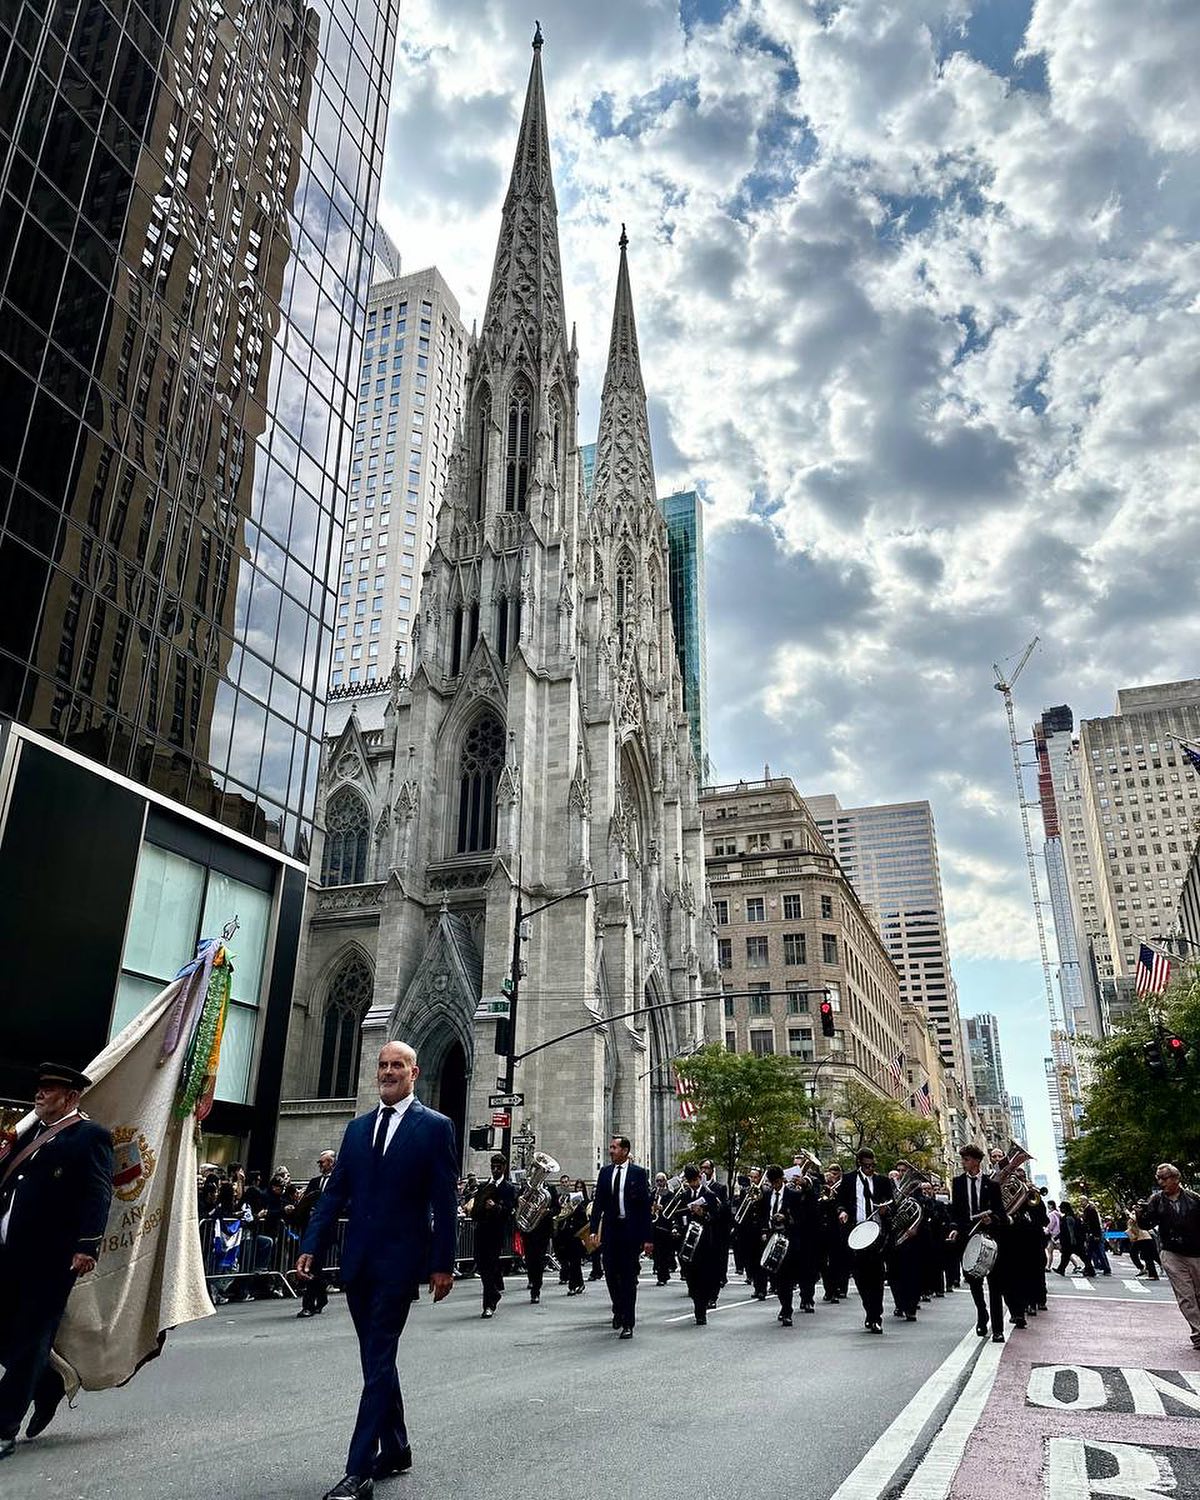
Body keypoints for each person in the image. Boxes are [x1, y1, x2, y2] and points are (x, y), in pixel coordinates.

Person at [297, 1041, 457, 1499]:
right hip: (358, 1262)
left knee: (379, 1356)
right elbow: (334, 1195)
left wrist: (442, 1264)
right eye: (382, 1065)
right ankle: (398, 1447)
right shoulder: (357, 1128)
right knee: (376, 1360)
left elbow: (444, 1204)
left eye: (397, 1065)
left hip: (400, 1263)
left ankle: (359, 1468)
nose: (388, 1072)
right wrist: (312, 1244)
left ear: (414, 1072)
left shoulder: (435, 1127)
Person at [0, 1062, 113, 1458]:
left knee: (32, 1337)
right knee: (8, 1335)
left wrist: (87, 1245)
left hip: (51, 1258)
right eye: (40, 1088)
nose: (40, 1094)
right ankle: (47, 1381)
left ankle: (3, 1426)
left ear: (71, 1097)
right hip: (8, 1253)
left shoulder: (89, 1136)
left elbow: (99, 1193)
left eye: (50, 1089)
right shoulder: (27, 1132)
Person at [589, 1136, 653, 1339]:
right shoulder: (605, 1173)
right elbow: (598, 1202)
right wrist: (592, 1230)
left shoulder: (638, 1173)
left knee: (627, 1277)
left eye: (614, 1147)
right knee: (610, 1273)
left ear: (625, 1150)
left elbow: (644, 1208)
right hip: (610, 1230)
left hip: (630, 1231)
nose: (610, 1151)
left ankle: (628, 1322)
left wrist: (648, 1238)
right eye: (610, 1147)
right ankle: (618, 1307)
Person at [950, 1145, 1014, 1343]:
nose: (963, 1163)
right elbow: (955, 1211)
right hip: (968, 1237)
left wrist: (992, 1219)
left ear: (976, 1161)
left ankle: (997, 1329)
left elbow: (1002, 1215)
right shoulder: (957, 1183)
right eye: (963, 1160)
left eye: (966, 1160)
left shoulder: (992, 1184)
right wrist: (954, 1228)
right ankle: (981, 1313)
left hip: (990, 1238)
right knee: (974, 1282)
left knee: (995, 1284)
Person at [1135, 1164, 1200, 1351]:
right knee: (1185, 1295)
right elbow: (1147, 1224)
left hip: (1196, 1251)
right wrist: (1140, 1213)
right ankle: (1198, 1334)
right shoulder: (1156, 1200)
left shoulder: (1194, 1199)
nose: (1161, 1182)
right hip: (1171, 1252)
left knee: (1198, 1293)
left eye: (1164, 1178)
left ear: (1176, 1178)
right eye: (1158, 1178)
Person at [836, 1148, 895, 1333]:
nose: (870, 1169)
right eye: (866, 1165)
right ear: (859, 1164)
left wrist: (886, 1210)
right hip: (856, 1232)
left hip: (876, 1233)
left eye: (872, 1165)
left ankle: (876, 1316)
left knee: (877, 1277)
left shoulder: (883, 1181)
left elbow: (892, 1203)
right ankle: (869, 1311)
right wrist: (842, 1212)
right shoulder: (848, 1180)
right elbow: (840, 1202)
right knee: (861, 1277)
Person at [673, 1165, 722, 1324]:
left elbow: (717, 1217)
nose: (693, 1184)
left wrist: (704, 1213)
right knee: (691, 1277)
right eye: (690, 1181)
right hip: (687, 1241)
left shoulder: (709, 1195)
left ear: (700, 1178)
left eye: (695, 1180)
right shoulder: (684, 1195)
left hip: (705, 1241)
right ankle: (697, 1301)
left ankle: (701, 1311)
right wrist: (676, 1227)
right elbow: (676, 1215)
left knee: (704, 1276)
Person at [470, 1154, 515, 1319]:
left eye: (498, 1167)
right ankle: (494, 1293)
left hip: (496, 1233)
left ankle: (488, 1304)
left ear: (504, 1167)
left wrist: (495, 1207)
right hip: (481, 1231)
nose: (495, 1170)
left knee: (489, 1267)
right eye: (493, 1167)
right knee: (481, 1265)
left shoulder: (508, 1188)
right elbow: (475, 1211)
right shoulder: (483, 1186)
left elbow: (509, 1211)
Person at [294, 1150, 338, 1317]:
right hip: (311, 1229)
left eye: (323, 1162)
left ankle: (310, 1304)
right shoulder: (314, 1182)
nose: (320, 1165)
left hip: (327, 1230)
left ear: (331, 1163)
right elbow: (304, 1202)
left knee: (314, 1266)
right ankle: (317, 1300)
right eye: (319, 1162)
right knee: (312, 1266)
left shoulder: (338, 1181)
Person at [650, 1172, 679, 1286]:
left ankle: (663, 1274)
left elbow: (673, 1209)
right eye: (657, 1181)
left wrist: (662, 1208)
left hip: (665, 1225)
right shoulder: (653, 1193)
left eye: (661, 1180)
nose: (659, 1183)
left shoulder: (670, 1194)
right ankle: (660, 1272)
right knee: (656, 1252)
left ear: (665, 1181)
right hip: (654, 1225)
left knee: (664, 1252)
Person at [1053, 1201, 1089, 1276]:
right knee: (1066, 1256)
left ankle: (1090, 1269)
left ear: (1065, 1208)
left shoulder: (1068, 1217)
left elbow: (1070, 1230)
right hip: (1073, 1241)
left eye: (1061, 1208)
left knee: (1081, 1256)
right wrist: (1057, 1237)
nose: (1060, 1209)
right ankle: (1061, 1269)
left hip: (1071, 1241)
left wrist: (1072, 1240)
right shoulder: (1071, 1216)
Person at [1126, 1206, 1161, 1281]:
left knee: (1149, 1256)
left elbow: (1136, 1219)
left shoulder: (1140, 1217)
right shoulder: (1132, 1219)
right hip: (1139, 1239)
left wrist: (1130, 1214)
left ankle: (1153, 1274)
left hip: (1144, 1238)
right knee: (1135, 1254)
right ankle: (1143, 1269)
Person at [1080, 1199, 1112, 1276]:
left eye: (1081, 1201)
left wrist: (1096, 1235)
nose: (1080, 1203)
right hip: (1093, 1234)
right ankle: (1089, 1268)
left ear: (1085, 1201)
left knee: (1096, 1252)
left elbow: (1095, 1223)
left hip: (1094, 1234)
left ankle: (1104, 1269)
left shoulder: (1090, 1210)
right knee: (1092, 1252)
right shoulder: (1087, 1210)